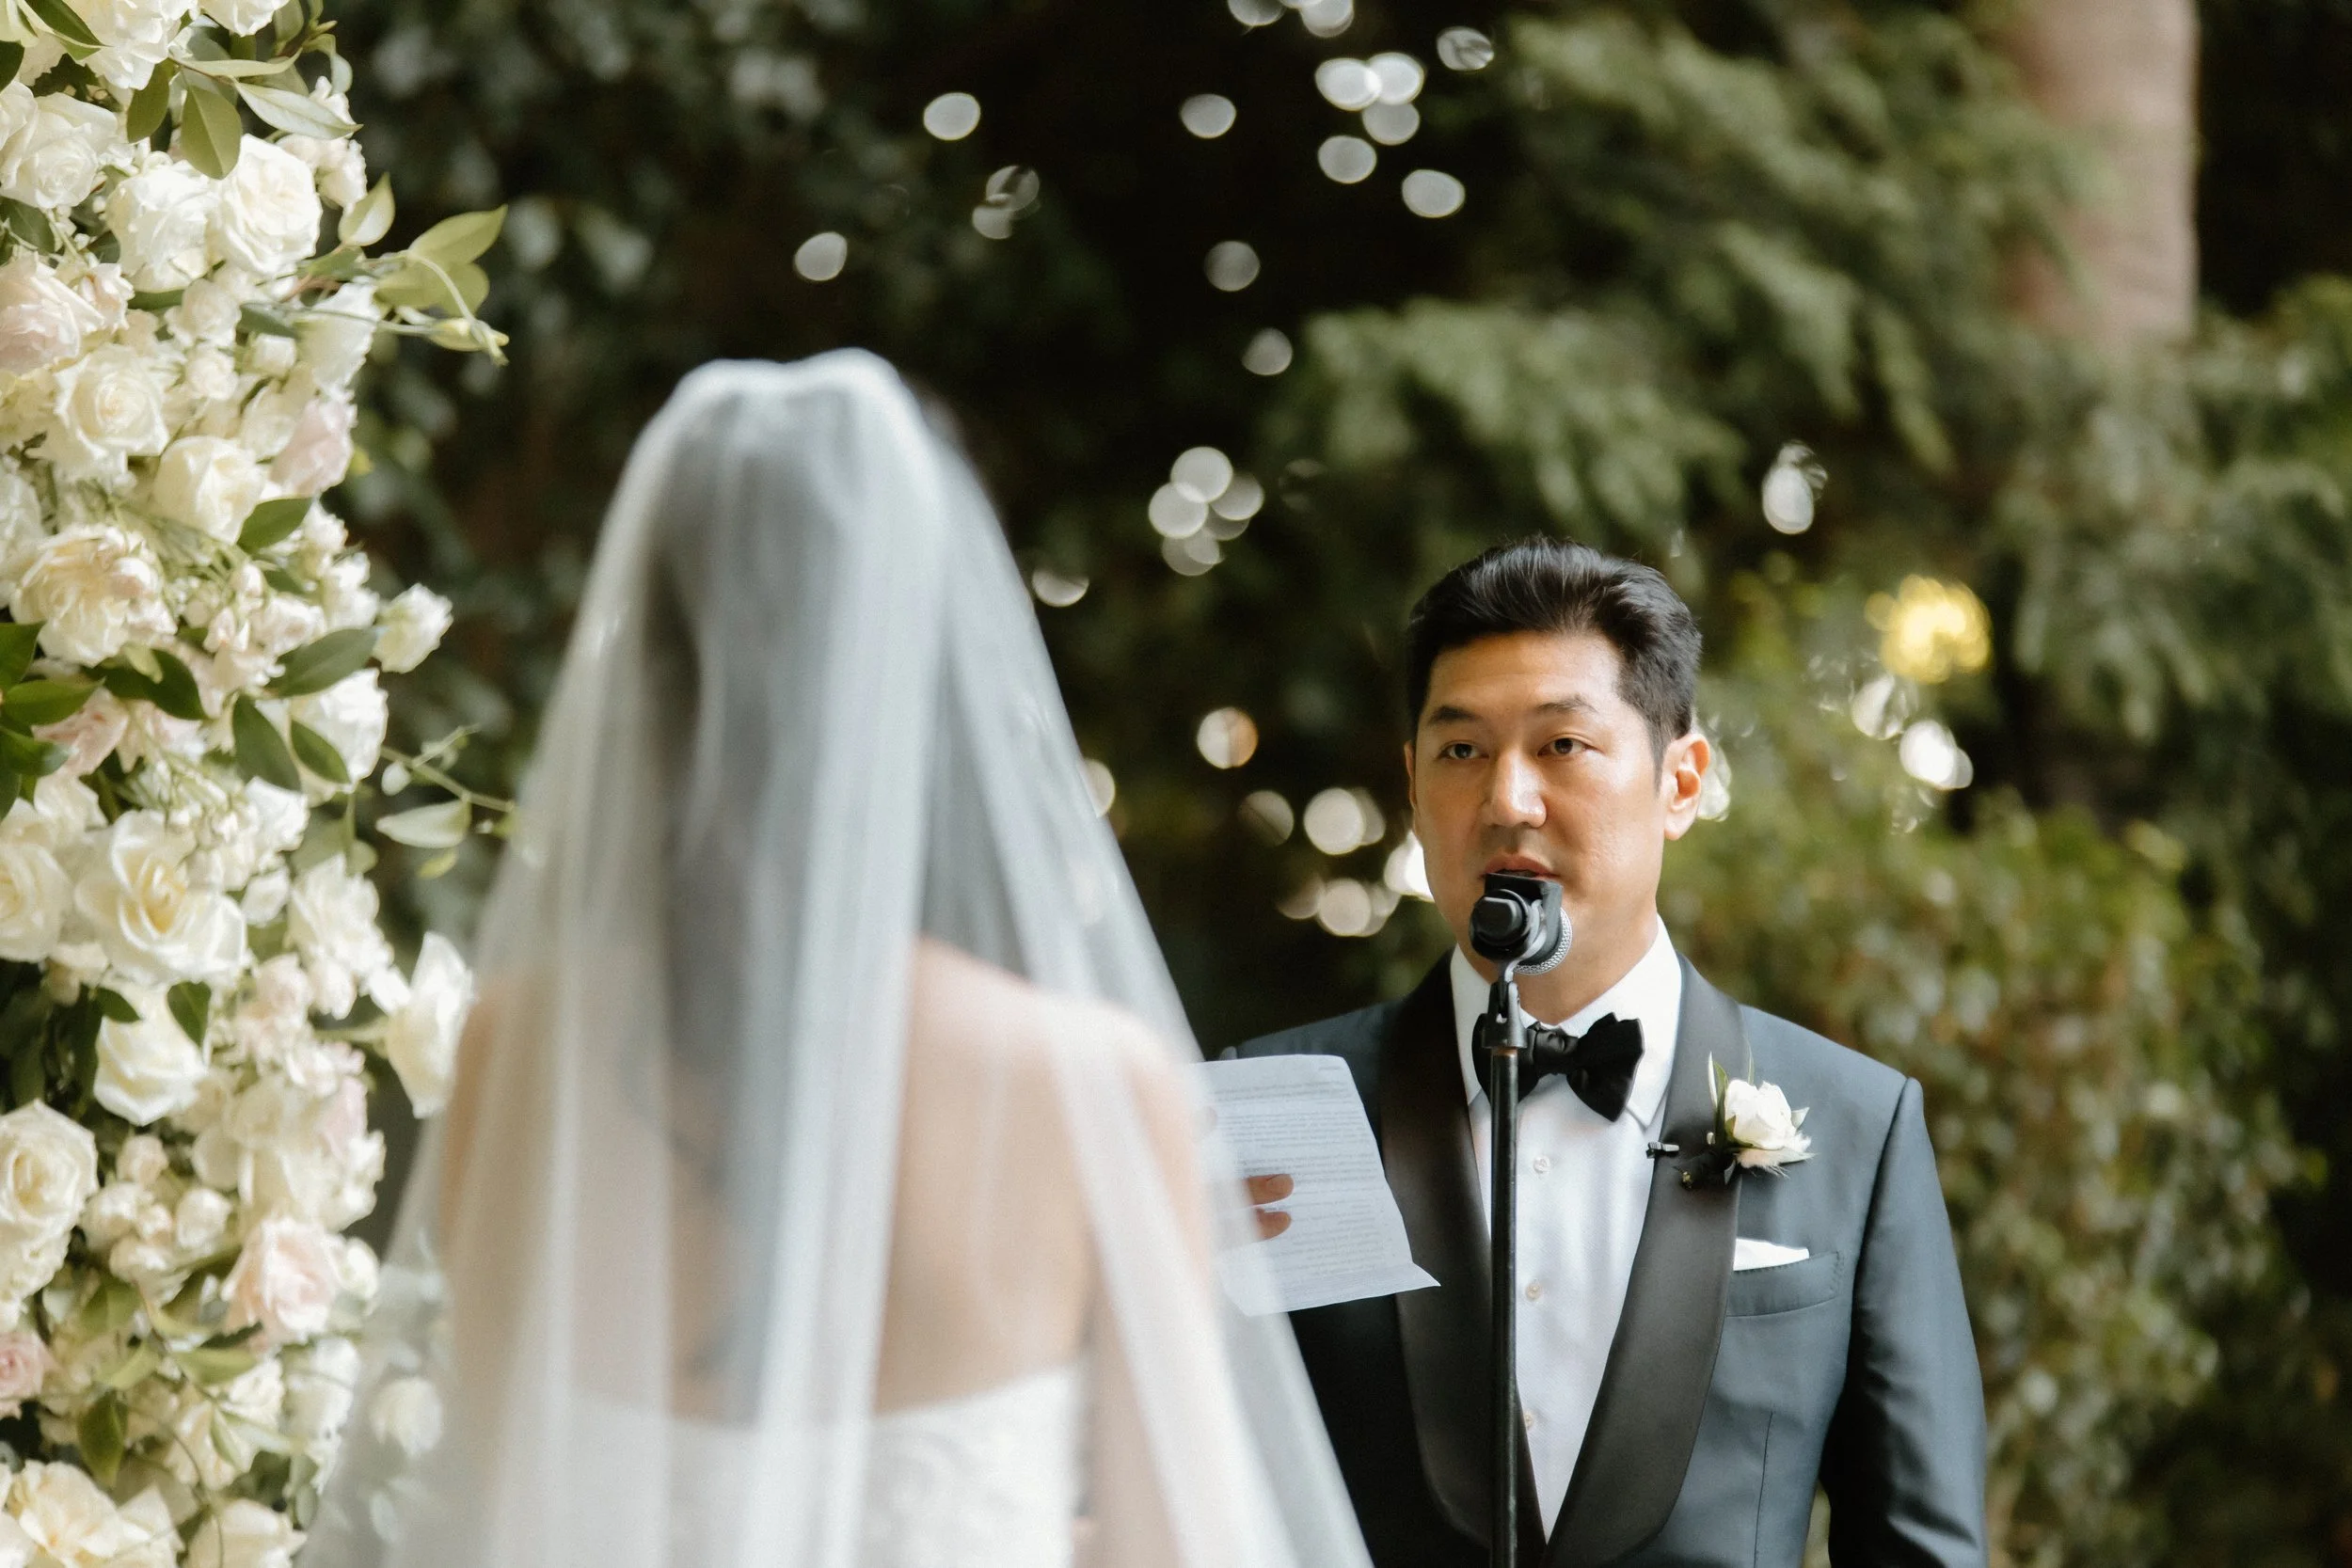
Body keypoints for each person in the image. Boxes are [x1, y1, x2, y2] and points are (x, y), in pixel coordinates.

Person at [303, 353, 1372, 1568]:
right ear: (929, 656)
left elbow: (489, 1512)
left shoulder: (515, 1045)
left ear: (647, 651)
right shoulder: (1090, 1084)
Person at [1231, 539, 1987, 1568]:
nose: (1506, 799)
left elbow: (1917, 1547)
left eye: (1561, 746)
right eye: (1460, 751)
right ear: (1410, 784)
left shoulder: (1858, 1122)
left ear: (1680, 782)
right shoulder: (1278, 1108)